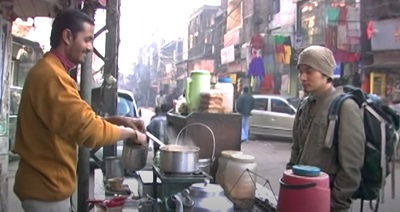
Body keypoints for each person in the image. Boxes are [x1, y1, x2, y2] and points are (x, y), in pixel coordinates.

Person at [13, 9, 148, 212]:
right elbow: (88, 131)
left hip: (46, 190)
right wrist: (133, 134)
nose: (89, 48)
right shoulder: (52, 76)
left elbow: (80, 120)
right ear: (67, 37)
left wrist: (119, 121)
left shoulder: (53, 72)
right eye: (87, 40)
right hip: (46, 193)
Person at [286, 45, 365, 212]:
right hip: (300, 193)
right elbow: (296, 148)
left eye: (309, 71)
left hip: (327, 201)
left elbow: (351, 166)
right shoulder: (305, 105)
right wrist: (289, 181)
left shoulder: (345, 106)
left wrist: (336, 203)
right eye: (301, 71)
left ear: (325, 73)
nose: (302, 77)